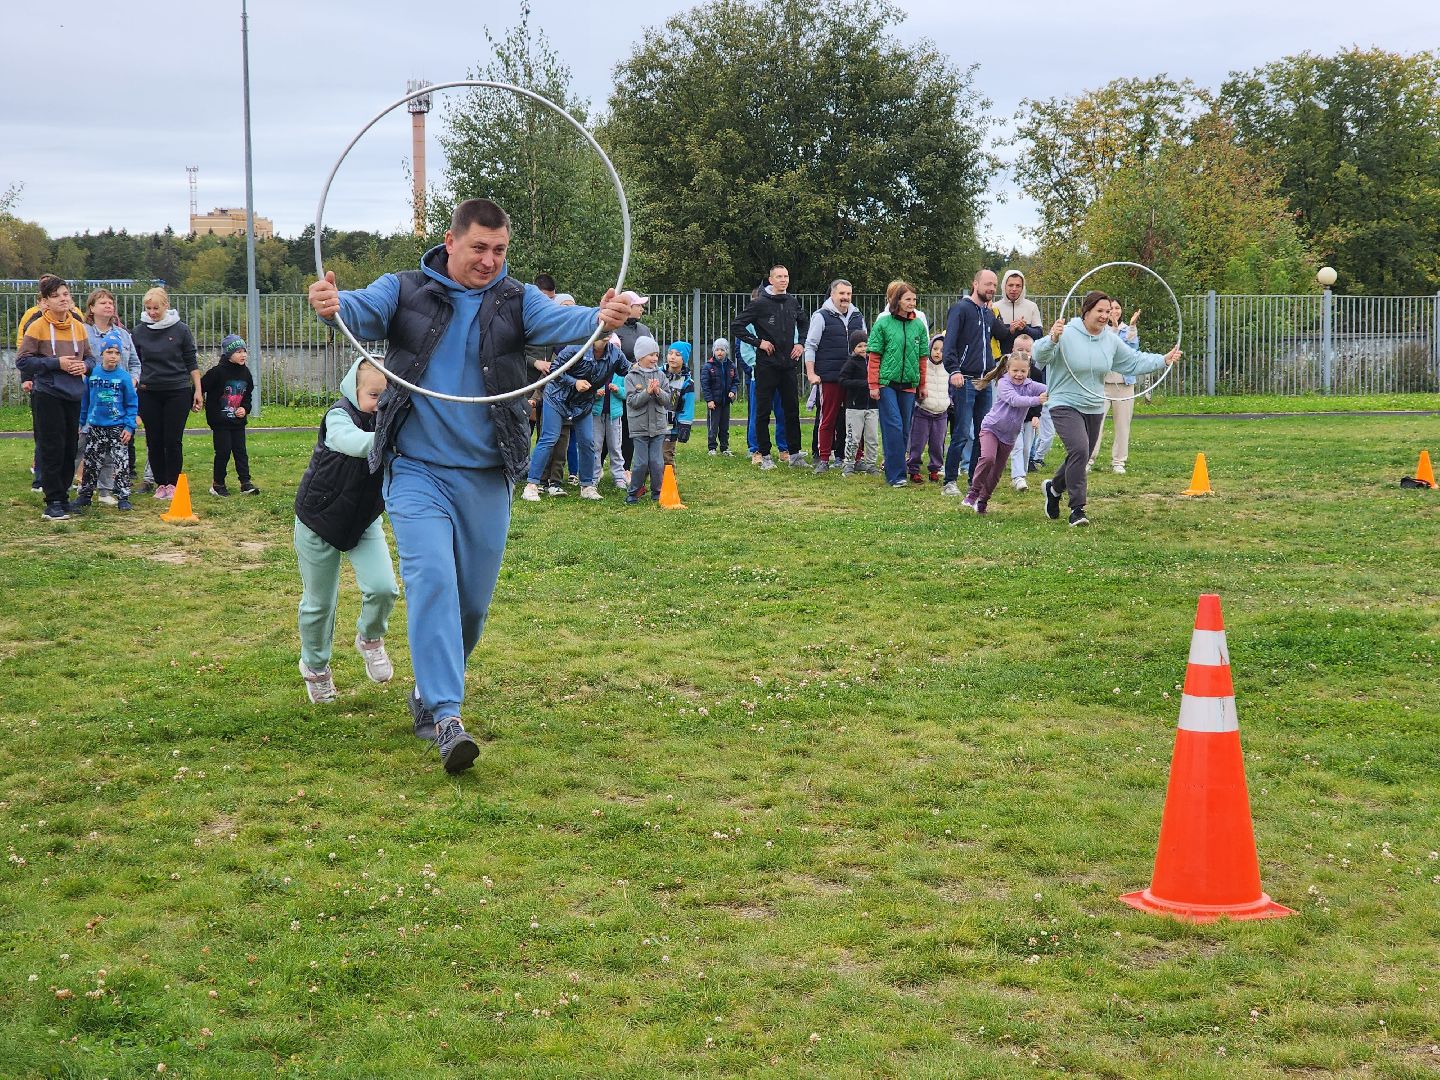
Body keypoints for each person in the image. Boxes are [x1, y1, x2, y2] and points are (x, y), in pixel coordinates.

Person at [306, 197, 630, 773]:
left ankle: (428, 688)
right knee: (432, 580)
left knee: (472, 607)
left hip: (485, 474)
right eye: (479, 247)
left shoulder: (517, 300)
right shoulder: (404, 290)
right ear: (450, 242)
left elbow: (570, 322)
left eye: (500, 250)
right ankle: (446, 715)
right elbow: (357, 310)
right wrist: (333, 306)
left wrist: (601, 318)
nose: (489, 260)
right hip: (416, 469)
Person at [293, 360, 400, 705]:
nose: (380, 404)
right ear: (353, 391)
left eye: (387, 396)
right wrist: (389, 441)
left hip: (363, 520)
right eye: (373, 395)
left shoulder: (396, 419)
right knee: (319, 604)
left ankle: (370, 639)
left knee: (384, 588)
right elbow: (350, 441)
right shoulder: (338, 416)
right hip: (318, 519)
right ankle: (315, 668)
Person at [1034, 292, 1179, 527]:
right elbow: (1038, 355)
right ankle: (1077, 509)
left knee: (1080, 455)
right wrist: (1052, 338)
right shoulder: (1066, 333)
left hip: (1094, 404)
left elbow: (1133, 361)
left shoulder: (1110, 340)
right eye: (1099, 311)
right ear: (1086, 311)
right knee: (1080, 450)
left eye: (1107, 311)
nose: (1104, 316)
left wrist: (1163, 359)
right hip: (1064, 402)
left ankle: (1054, 488)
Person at [16, 275, 94, 521]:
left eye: (66, 294)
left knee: (70, 446)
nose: (63, 299)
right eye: (56, 295)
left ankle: (63, 497)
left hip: (73, 393)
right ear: (45, 301)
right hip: (47, 394)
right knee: (52, 446)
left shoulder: (78, 326)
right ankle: (52, 501)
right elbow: (23, 361)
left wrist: (85, 366)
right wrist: (55, 363)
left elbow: (91, 358)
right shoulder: (37, 326)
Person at [522, 332, 630, 502]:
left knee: (587, 441)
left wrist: (642, 369)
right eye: (603, 329)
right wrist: (575, 382)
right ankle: (531, 485)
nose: (607, 333)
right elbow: (555, 369)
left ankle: (587, 486)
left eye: (610, 330)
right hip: (557, 398)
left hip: (583, 403)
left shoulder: (615, 353)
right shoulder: (576, 348)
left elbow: (628, 370)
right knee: (549, 438)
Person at [941, 270, 1016, 494]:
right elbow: (949, 343)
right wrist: (954, 370)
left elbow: (1003, 335)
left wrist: (1018, 328)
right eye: (987, 284)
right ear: (975, 284)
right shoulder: (960, 309)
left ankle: (975, 480)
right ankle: (950, 481)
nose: (991, 288)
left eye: (994, 285)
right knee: (962, 433)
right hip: (964, 380)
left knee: (983, 432)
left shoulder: (988, 313)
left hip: (985, 381)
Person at [731, 265, 806, 470]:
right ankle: (764, 455)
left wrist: (801, 343)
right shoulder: (760, 303)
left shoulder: (792, 301)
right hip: (766, 366)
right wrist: (759, 343)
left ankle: (794, 454)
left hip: (788, 366)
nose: (783, 280)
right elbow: (736, 325)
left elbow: (804, 322)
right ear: (771, 280)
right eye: (779, 276)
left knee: (791, 410)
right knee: (763, 412)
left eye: (786, 276)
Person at [132, 286, 200, 501]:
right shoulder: (139, 332)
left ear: (166, 306)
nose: (152, 312)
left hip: (177, 390)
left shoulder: (180, 329)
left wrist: (198, 390)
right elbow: (135, 363)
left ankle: (173, 483)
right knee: (154, 439)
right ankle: (160, 483)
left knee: (172, 440)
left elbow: (191, 361)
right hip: (149, 391)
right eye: (148, 308)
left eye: (156, 308)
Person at [962, 351, 1048, 514]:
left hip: (1009, 436)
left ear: (1028, 371)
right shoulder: (1003, 383)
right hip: (991, 428)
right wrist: (1038, 399)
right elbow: (1015, 400)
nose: (1019, 374)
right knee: (988, 458)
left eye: (1023, 371)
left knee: (996, 473)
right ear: (1008, 369)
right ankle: (973, 492)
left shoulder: (1030, 386)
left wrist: (1059, 390)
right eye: (1015, 370)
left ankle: (983, 501)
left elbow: (1050, 389)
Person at [866, 282, 931, 488]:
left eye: (914, 299)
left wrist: (922, 384)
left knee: (903, 429)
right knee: (893, 425)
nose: (912, 303)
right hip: (887, 384)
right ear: (897, 301)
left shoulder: (918, 325)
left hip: (909, 385)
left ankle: (895, 467)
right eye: (908, 299)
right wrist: (873, 384)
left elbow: (922, 358)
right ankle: (897, 475)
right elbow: (874, 356)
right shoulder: (883, 323)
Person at [83, 287, 142, 498]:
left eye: (110, 302)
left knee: (113, 451)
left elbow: (134, 363)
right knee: (84, 446)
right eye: (103, 302)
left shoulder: (123, 334)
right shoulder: (82, 332)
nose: (108, 306)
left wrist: (132, 380)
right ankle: (79, 486)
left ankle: (106, 490)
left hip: (118, 400)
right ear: (91, 308)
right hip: (92, 399)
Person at [803, 279, 866, 471]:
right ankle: (823, 459)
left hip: (855, 378)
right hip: (830, 376)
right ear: (832, 294)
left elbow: (866, 346)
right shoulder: (821, 316)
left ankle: (857, 458)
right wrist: (811, 373)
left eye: (848, 294)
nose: (845, 297)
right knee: (828, 418)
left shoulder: (857, 316)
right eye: (842, 293)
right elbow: (810, 346)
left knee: (856, 418)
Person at [72, 331, 137, 511]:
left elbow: (132, 403)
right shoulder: (92, 374)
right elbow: (85, 400)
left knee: (121, 462)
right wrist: (82, 422)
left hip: (117, 427)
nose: (113, 356)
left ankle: (123, 496)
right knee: (91, 462)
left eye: (117, 353)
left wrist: (129, 426)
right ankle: (85, 495)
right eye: (109, 352)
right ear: (102, 353)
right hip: (95, 427)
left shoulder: (124, 377)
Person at [201, 334, 259, 497]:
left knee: (241, 452)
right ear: (228, 354)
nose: (243, 355)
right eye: (238, 352)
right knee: (223, 452)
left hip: (238, 422)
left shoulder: (246, 373)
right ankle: (218, 484)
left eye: (244, 351)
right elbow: (200, 387)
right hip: (220, 422)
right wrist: (197, 401)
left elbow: (247, 396)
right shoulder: (217, 372)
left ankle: (245, 483)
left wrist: (245, 409)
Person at [1089, 301, 1141, 474]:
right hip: (1102, 385)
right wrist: (1113, 329)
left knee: (1122, 425)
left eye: (1117, 308)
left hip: (1124, 385)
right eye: (1110, 308)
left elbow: (1131, 351)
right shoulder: (1099, 330)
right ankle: (1088, 459)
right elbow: (1105, 349)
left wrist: (1130, 326)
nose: (1114, 311)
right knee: (1095, 423)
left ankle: (1119, 461)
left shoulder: (1129, 330)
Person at [624, 336, 671, 504]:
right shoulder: (631, 377)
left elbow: (667, 400)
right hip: (640, 427)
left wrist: (658, 392)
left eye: (656, 354)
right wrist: (647, 392)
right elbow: (632, 402)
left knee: (657, 462)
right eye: (651, 354)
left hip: (658, 427)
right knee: (641, 463)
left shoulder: (661, 375)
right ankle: (633, 492)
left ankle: (657, 492)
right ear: (640, 356)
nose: (655, 358)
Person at [906, 332, 949, 484]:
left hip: (941, 413)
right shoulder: (923, 365)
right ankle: (914, 469)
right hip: (923, 411)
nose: (938, 352)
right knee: (917, 443)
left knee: (937, 444)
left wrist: (949, 401)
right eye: (935, 349)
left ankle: (935, 469)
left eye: (942, 350)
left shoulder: (948, 367)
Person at [838, 328, 878, 477]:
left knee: (872, 438)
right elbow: (842, 380)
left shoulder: (872, 362)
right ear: (853, 348)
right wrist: (863, 384)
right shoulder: (851, 363)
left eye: (865, 345)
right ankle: (848, 464)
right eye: (859, 346)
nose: (863, 349)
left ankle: (871, 464)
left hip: (872, 406)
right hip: (854, 407)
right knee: (853, 438)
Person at [592, 367, 628, 489]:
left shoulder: (621, 373)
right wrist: (595, 394)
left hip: (615, 415)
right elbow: (588, 391)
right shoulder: (596, 370)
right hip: (596, 413)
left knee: (615, 447)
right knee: (596, 446)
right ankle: (594, 476)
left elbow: (627, 393)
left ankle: (619, 477)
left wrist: (618, 390)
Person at [700, 338, 737, 455]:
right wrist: (709, 400)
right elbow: (705, 385)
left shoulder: (731, 366)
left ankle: (724, 447)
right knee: (713, 426)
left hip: (726, 401)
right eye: (717, 350)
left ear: (726, 351)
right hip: (714, 403)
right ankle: (712, 447)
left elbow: (735, 381)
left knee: (725, 426)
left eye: (722, 350)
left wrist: (733, 391)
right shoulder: (708, 366)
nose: (719, 352)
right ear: (713, 351)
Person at [662, 342, 695, 467]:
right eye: (670, 353)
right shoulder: (657, 374)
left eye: (677, 354)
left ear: (684, 359)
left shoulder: (687, 383)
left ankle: (669, 479)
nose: (672, 357)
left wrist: (684, 426)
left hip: (670, 428)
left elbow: (688, 407)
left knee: (666, 456)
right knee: (649, 457)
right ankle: (642, 479)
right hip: (652, 425)